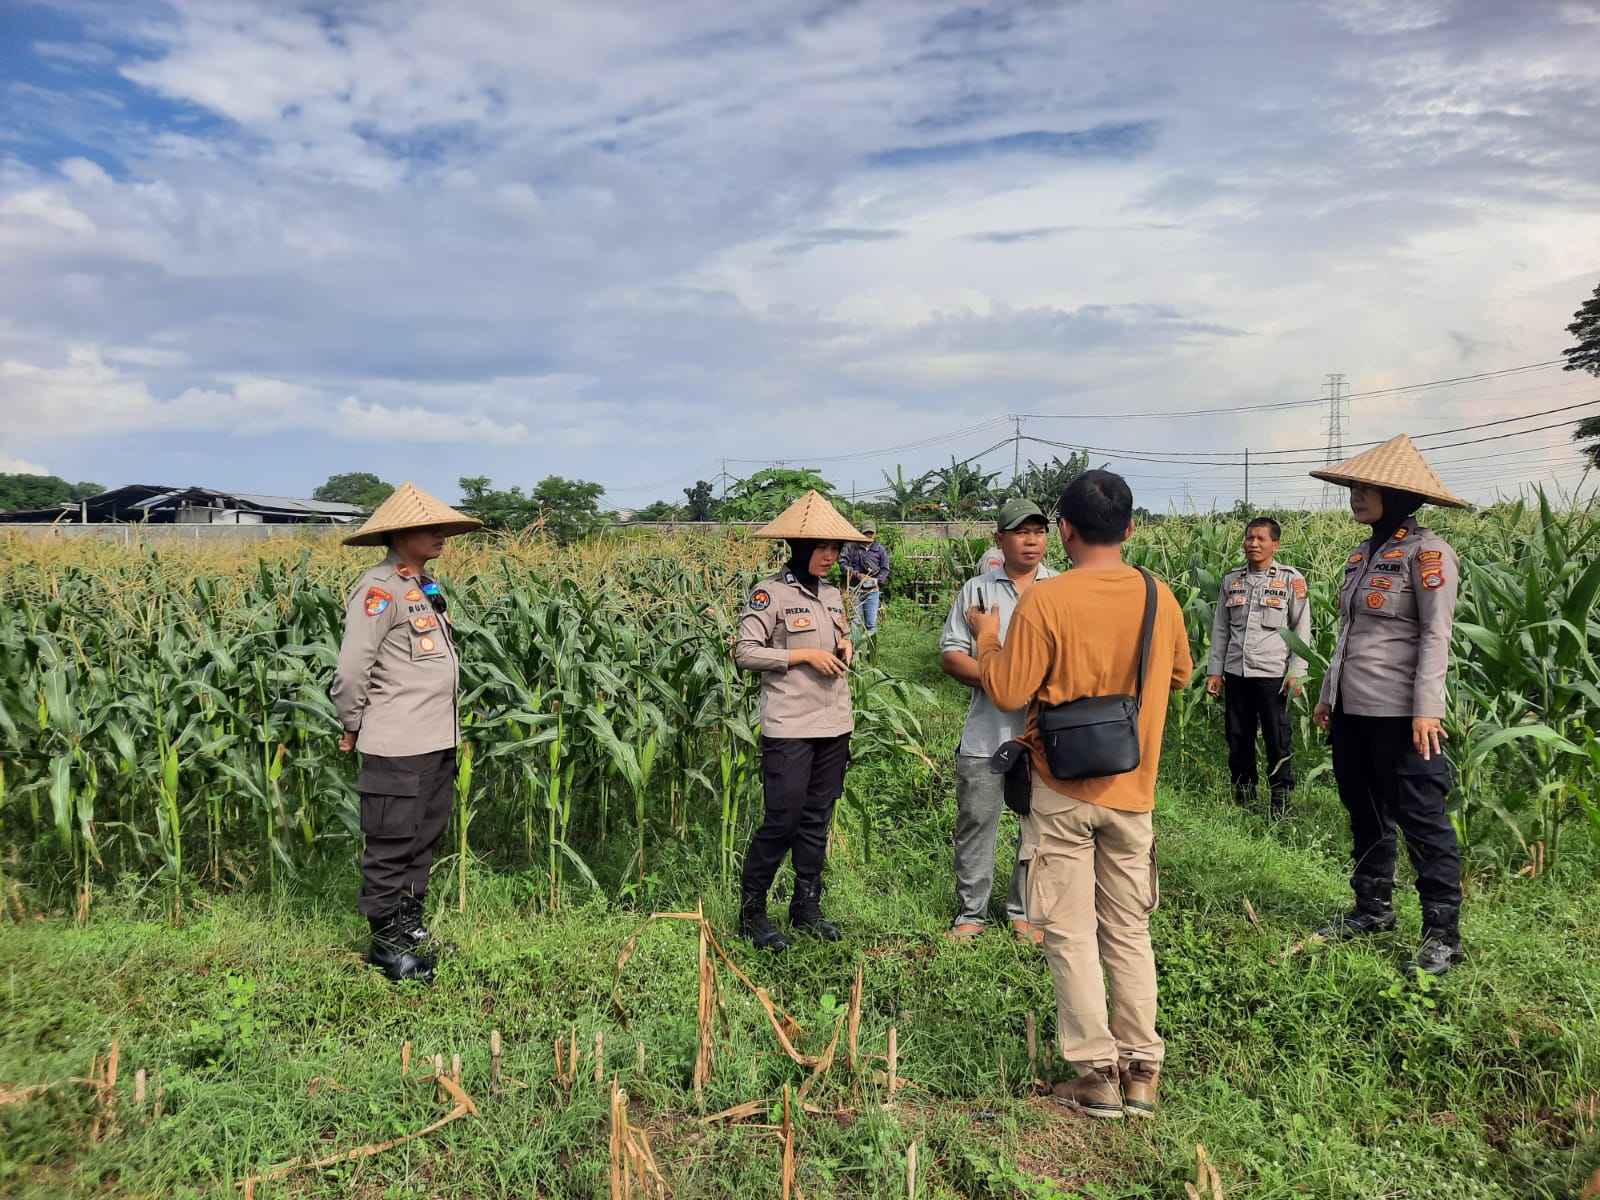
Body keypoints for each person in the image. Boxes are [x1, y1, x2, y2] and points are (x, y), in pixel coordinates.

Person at [969, 470, 1192, 1121]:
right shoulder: (1161, 595)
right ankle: (1142, 1073)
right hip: (1133, 791)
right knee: (1128, 928)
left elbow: (1009, 691)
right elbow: (1177, 673)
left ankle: (1095, 1075)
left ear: (1063, 531)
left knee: (1069, 931)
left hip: (1062, 790)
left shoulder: (1048, 601)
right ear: (1129, 529)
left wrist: (987, 637)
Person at [1308, 434, 1466, 977]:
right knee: (1365, 812)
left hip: (1403, 716)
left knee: (1423, 819)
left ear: (1398, 495)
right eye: (1352, 484)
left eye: (1366, 486)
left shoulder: (1429, 554)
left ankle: (1443, 934)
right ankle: (1372, 908)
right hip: (1355, 712)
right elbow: (1350, 632)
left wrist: (1428, 709)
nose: (1355, 494)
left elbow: (1435, 635)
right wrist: (1330, 696)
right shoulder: (1361, 554)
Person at [330, 483, 482, 983]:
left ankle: (409, 928)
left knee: (422, 838)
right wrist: (351, 723)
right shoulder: (379, 590)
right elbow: (354, 668)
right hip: (397, 742)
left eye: (442, 526)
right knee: (392, 840)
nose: (441, 534)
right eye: (429, 527)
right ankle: (384, 946)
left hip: (436, 739)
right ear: (398, 533)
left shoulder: (425, 585)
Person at [734, 490, 865, 951]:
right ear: (799, 547)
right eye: (822, 548)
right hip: (791, 725)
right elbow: (745, 653)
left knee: (816, 819)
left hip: (835, 724)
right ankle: (752, 911)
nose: (830, 556)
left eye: (836, 549)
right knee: (783, 819)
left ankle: (806, 905)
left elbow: (842, 635)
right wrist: (803, 653)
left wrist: (845, 646)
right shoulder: (770, 593)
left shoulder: (832, 594)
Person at [939, 498, 1058, 944]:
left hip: (1044, 736)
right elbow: (952, 657)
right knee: (977, 821)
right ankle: (972, 913)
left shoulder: (1060, 589)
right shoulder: (977, 591)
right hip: (986, 732)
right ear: (999, 539)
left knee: (1038, 828)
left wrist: (1020, 683)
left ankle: (1023, 910)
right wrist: (1011, 682)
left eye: (1039, 531)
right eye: (1021, 531)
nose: (1032, 540)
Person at [1205, 517, 1311, 817]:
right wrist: (1215, 670)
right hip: (1237, 673)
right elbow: (1221, 629)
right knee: (1238, 737)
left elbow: (1302, 630)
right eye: (1250, 537)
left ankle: (1280, 806)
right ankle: (1245, 801)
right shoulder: (1232, 580)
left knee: (1278, 739)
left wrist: (1297, 673)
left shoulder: (1291, 580)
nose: (1253, 543)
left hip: (1274, 675)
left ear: (1274, 545)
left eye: (1261, 539)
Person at [841, 524, 890, 643]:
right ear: (860, 533)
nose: (868, 536)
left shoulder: (880, 549)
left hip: (872, 592)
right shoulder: (851, 548)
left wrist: (877, 580)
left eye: (871, 533)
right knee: (855, 623)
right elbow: (843, 565)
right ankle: (855, 653)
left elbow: (885, 569)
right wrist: (857, 575)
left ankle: (870, 654)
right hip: (854, 591)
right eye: (865, 533)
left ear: (875, 533)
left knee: (871, 624)